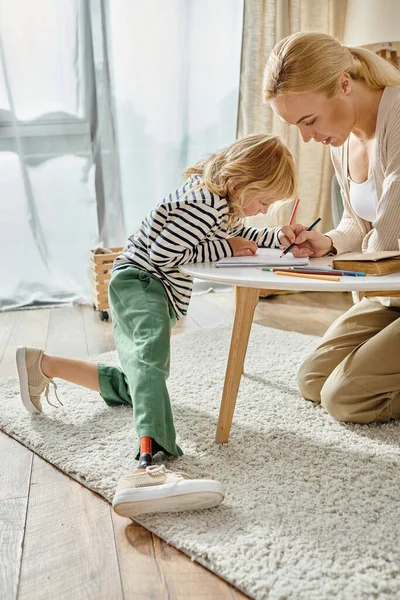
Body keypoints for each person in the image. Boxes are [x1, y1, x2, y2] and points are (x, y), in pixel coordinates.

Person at [16, 133, 297, 518]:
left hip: (147, 285)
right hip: (142, 281)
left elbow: (233, 233)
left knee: (139, 377)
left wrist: (276, 237)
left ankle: (43, 365)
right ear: (241, 182)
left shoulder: (219, 203)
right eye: (263, 202)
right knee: (149, 363)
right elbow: (166, 254)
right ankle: (150, 464)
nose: (261, 211)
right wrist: (227, 247)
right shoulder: (202, 204)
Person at [263, 31, 400, 424]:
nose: (307, 138)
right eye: (297, 126)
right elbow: (357, 224)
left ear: (344, 84)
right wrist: (326, 242)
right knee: (312, 381)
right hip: (388, 294)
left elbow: (388, 238)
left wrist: (349, 253)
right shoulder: (342, 140)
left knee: (344, 399)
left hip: (389, 286)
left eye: (309, 121)